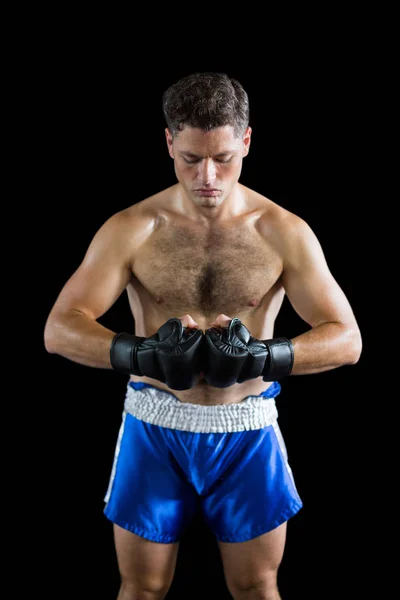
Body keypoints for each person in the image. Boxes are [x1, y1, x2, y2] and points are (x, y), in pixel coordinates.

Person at [44, 71, 362, 600]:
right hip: (154, 426)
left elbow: (347, 340)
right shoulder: (133, 227)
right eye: (191, 159)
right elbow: (59, 328)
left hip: (247, 430)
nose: (208, 176)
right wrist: (141, 353)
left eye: (224, 158)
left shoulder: (282, 231)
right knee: (141, 588)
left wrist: (263, 357)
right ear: (169, 141)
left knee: (257, 587)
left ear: (247, 141)